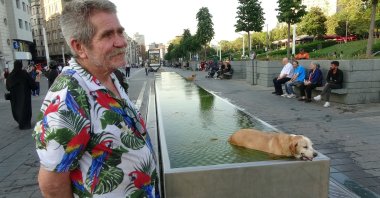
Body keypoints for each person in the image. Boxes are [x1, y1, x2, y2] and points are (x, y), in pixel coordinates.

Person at [33, 1, 159, 197]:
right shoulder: (69, 96)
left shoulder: (109, 76)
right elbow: (51, 184)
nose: (121, 42)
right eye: (108, 35)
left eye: (120, 32)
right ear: (79, 46)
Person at [6, 60, 36, 130]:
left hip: (15, 98)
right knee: (25, 109)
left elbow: (8, 87)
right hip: (25, 96)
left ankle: (20, 122)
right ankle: (26, 124)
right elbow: (31, 82)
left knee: (17, 109)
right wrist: (34, 87)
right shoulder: (24, 73)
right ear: (21, 65)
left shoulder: (11, 75)